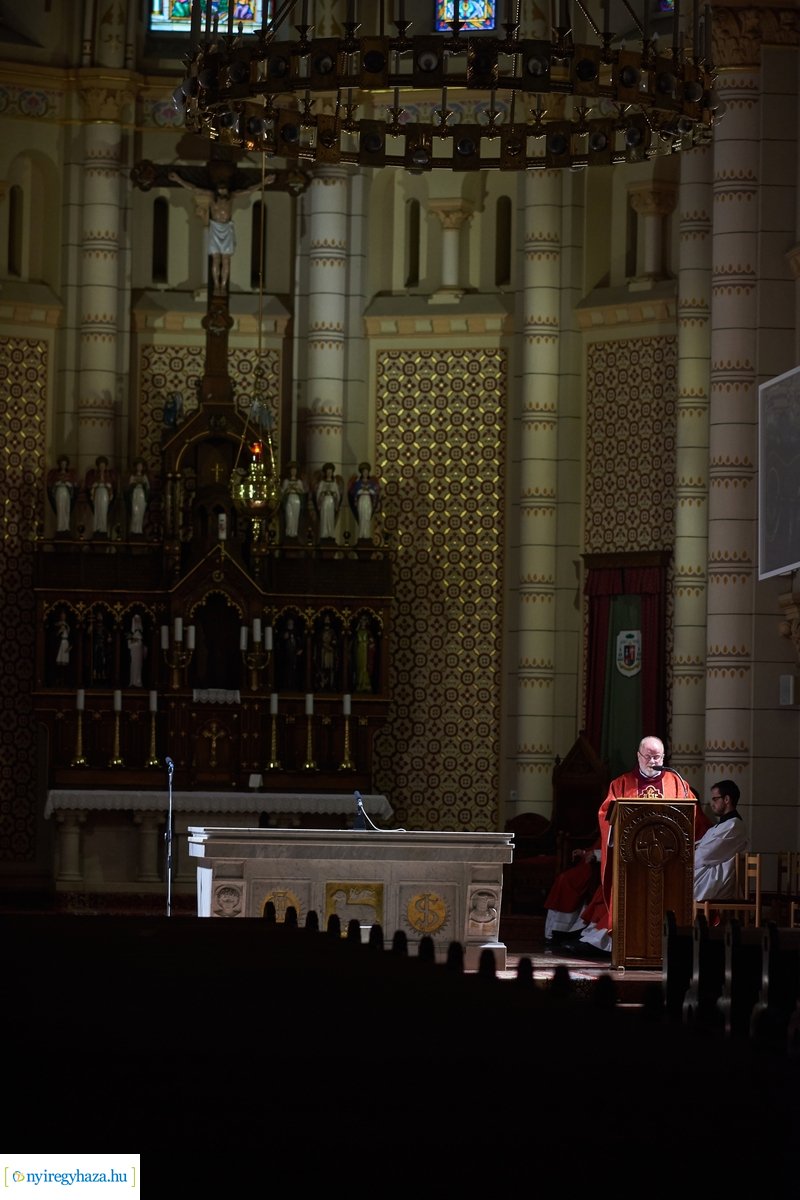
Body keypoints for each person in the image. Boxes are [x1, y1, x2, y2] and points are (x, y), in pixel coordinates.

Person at [545, 735, 710, 959]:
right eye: (649, 756)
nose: (653, 761)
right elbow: (606, 815)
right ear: (638, 756)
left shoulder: (678, 784)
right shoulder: (621, 784)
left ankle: (661, 947)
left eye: (658, 756)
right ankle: (618, 945)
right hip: (632, 860)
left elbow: (694, 818)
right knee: (622, 900)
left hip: (667, 862)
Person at [168, 170, 267, 295]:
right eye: (221, 189)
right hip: (215, 228)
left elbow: (248, 191)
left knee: (226, 260)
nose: (223, 191)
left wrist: (263, 183)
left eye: (225, 189)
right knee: (215, 259)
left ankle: (223, 286)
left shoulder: (232, 196)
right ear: (217, 189)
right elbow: (194, 189)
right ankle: (216, 285)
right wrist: (178, 180)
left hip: (227, 228)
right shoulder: (210, 196)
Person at [694, 779, 748, 900]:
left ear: (727, 799)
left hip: (718, 878)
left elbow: (705, 855)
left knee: (677, 883)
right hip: (708, 872)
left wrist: (683, 862)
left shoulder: (733, 825)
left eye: (715, 799)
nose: (712, 804)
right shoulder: (723, 825)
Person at [348, 462, 380, 541]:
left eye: (366, 472)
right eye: (364, 472)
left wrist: (369, 490)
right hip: (361, 501)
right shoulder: (358, 483)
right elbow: (354, 492)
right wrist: (361, 490)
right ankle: (361, 534)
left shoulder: (371, 483)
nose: (365, 473)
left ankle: (367, 534)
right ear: (361, 473)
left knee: (367, 517)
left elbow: (375, 492)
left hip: (368, 501)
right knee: (362, 517)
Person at [85, 455, 115, 536]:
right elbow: (92, 486)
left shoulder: (108, 476)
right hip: (97, 494)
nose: (102, 467)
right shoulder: (94, 475)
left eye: (103, 465)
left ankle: (103, 528)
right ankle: (97, 528)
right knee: (97, 510)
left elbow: (110, 487)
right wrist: (97, 484)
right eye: (100, 465)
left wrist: (106, 486)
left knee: (103, 510)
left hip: (104, 494)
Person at [47, 455, 77, 534]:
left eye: (65, 464)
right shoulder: (55, 474)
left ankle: (66, 526)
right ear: (59, 464)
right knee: (60, 509)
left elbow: (73, 485)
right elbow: (52, 485)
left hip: (66, 493)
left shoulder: (70, 474)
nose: (63, 465)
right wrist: (59, 483)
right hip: (59, 493)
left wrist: (67, 484)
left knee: (66, 509)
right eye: (62, 464)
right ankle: (60, 527)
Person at [315, 462, 341, 541]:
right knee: (324, 517)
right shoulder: (322, 483)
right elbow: (318, 494)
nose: (329, 473)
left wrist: (334, 495)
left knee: (330, 518)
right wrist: (322, 494)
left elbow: (338, 495)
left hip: (331, 502)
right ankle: (324, 534)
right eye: (328, 472)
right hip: (324, 502)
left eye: (330, 472)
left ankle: (330, 533)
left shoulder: (334, 484)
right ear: (325, 473)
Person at [281, 461, 306, 539]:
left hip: (296, 499)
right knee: (289, 516)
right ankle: (289, 533)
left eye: (295, 470)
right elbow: (283, 492)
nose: (293, 472)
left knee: (295, 516)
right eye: (292, 470)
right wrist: (288, 489)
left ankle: (294, 533)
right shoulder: (286, 481)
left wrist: (296, 488)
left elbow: (302, 491)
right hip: (289, 499)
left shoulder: (299, 481)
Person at [125, 458, 150, 536]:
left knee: (140, 513)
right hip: (135, 494)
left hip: (141, 495)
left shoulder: (144, 476)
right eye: (138, 466)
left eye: (141, 466)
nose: (139, 467)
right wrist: (134, 484)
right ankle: (133, 530)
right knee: (135, 512)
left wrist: (143, 484)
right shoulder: (132, 476)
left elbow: (148, 487)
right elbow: (129, 487)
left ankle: (139, 530)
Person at [127, 613, 147, 688]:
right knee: (133, 666)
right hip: (134, 653)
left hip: (139, 653)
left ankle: (138, 681)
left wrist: (137, 642)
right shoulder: (132, 633)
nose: (137, 621)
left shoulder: (141, 633)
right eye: (135, 620)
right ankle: (133, 681)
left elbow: (143, 644)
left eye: (138, 620)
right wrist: (133, 641)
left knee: (139, 667)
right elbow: (129, 644)